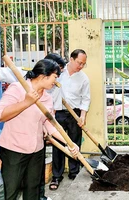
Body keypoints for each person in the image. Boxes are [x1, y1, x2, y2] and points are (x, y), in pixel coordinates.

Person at [0, 59, 79, 200]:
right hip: (14, 151)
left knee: (33, 191)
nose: (56, 81)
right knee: (10, 191)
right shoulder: (18, 88)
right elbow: (0, 115)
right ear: (43, 76)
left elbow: (50, 125)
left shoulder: (47, 98)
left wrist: (69, 143)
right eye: (55, 77)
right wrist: (26, 102)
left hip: (36, 152)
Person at [49, 49, 90, 190]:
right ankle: (56, 176)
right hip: (58, 112)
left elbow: (86, 98)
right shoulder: (58, 72)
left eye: (83, 64)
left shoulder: (83, 78)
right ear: (71, 59)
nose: (81, 66)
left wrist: (82, 116)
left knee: (74, 144)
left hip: (75, 114)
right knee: (58, 144)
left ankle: (74, 173)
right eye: (79, 62)